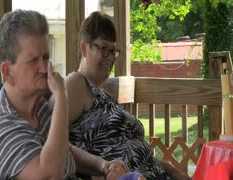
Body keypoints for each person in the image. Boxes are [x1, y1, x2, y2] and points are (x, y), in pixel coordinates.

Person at [0, 9, 128, 180]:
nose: (44, 68)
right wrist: (62, 97)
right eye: (33, 60)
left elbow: (63, 150)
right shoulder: (2, 123)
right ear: (7, 71)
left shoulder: (37, 107)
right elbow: (49, 175)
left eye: (45, 57)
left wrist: (103, 166)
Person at [65, 11, 191, 180]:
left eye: (113, 51)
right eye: (103, 49)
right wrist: (102, 166)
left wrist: (173, 170)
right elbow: (52, 141)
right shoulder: (76, 83)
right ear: (84, 48)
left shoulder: (104, 95)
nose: (110, 57)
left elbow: (135, 151)